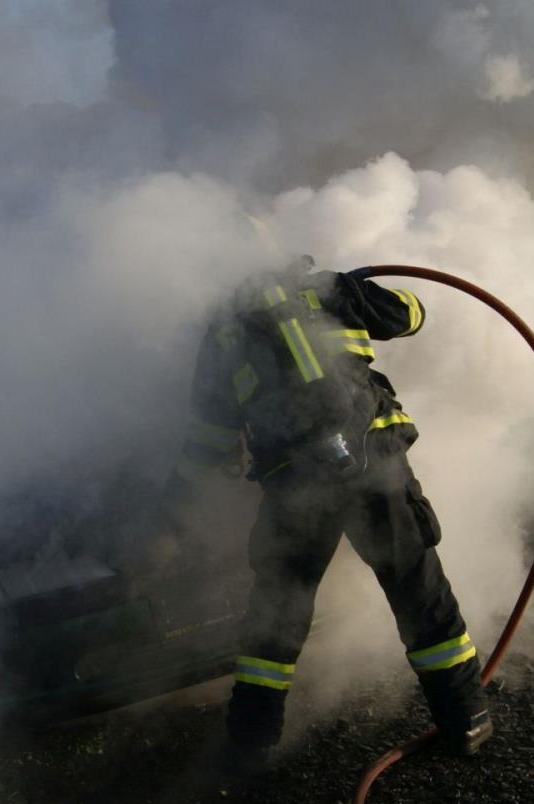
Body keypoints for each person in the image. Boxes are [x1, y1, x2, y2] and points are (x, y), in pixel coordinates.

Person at [164, 241, 491, 772]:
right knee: (417, 589)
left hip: (295, 484)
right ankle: (466, 717)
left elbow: (208, 436)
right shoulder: (331, 289)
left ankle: (249, 740)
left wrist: (172, 503)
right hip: (376, 468)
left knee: (278, 607)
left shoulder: (221, 334)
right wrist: (357, 287)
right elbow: (413, 315)